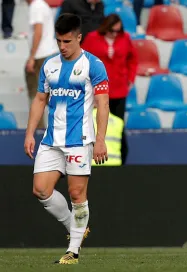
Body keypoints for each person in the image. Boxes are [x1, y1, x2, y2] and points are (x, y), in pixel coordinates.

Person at [23, 13, 110, 264]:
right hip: (51, 139)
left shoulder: (93, 65)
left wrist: (100, 139)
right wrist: (30, 133)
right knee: (40, 190)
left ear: (79, 37)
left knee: (76, 194)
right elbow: (40, 100)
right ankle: (77, 227)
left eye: (67, 41)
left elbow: (103, 104)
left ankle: (72, 251)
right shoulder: (49, 65)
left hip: (79, 139)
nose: (62, 46)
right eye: (59, 41)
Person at [82, 14, 137, 165]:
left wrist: (130, 79)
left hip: (118, 91)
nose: (115, 34)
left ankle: (119, 162)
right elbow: (82, 60)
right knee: (93, 128)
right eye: (112, 30)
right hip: (97, 93)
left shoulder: (125, 38)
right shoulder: (92, 38)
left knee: (118, 128)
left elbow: (133, 58)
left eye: (117, 31)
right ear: (105, 28)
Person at [25, 0, 59, 129]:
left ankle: (38, 131)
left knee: (36, 95)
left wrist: (32, 57)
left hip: (41, 55)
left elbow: (38, 31)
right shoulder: (43, 5)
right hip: (51, 53)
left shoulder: (36, 6)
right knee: (53, 95)